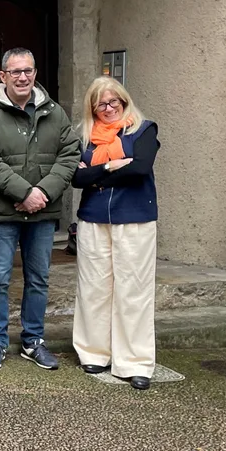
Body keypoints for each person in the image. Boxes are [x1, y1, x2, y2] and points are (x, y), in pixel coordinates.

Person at [0, 48, 80, 372]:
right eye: (15, 71)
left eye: (28, 71)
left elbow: (70, 154)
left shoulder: (54, 113)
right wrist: (24, 192)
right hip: (3, 213)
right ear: (3, 76)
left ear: (35, 74)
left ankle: (33, 341)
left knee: (38, 278)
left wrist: (42, 193)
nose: (23, 77)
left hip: (42, 213)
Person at [71, 77, 161, 390]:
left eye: (114, 102)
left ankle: (134, 362)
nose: (109, 109)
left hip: (135, 218)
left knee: (133, 290)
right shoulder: (85, 136)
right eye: (102, 104)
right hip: (94, 218)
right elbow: (76, 179)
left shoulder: (143, 129)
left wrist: (96, 174)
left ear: (123, 101)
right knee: (94, 287)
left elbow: (140, 169)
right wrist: (111, 167)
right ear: (92, 108)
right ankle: (94, 352)